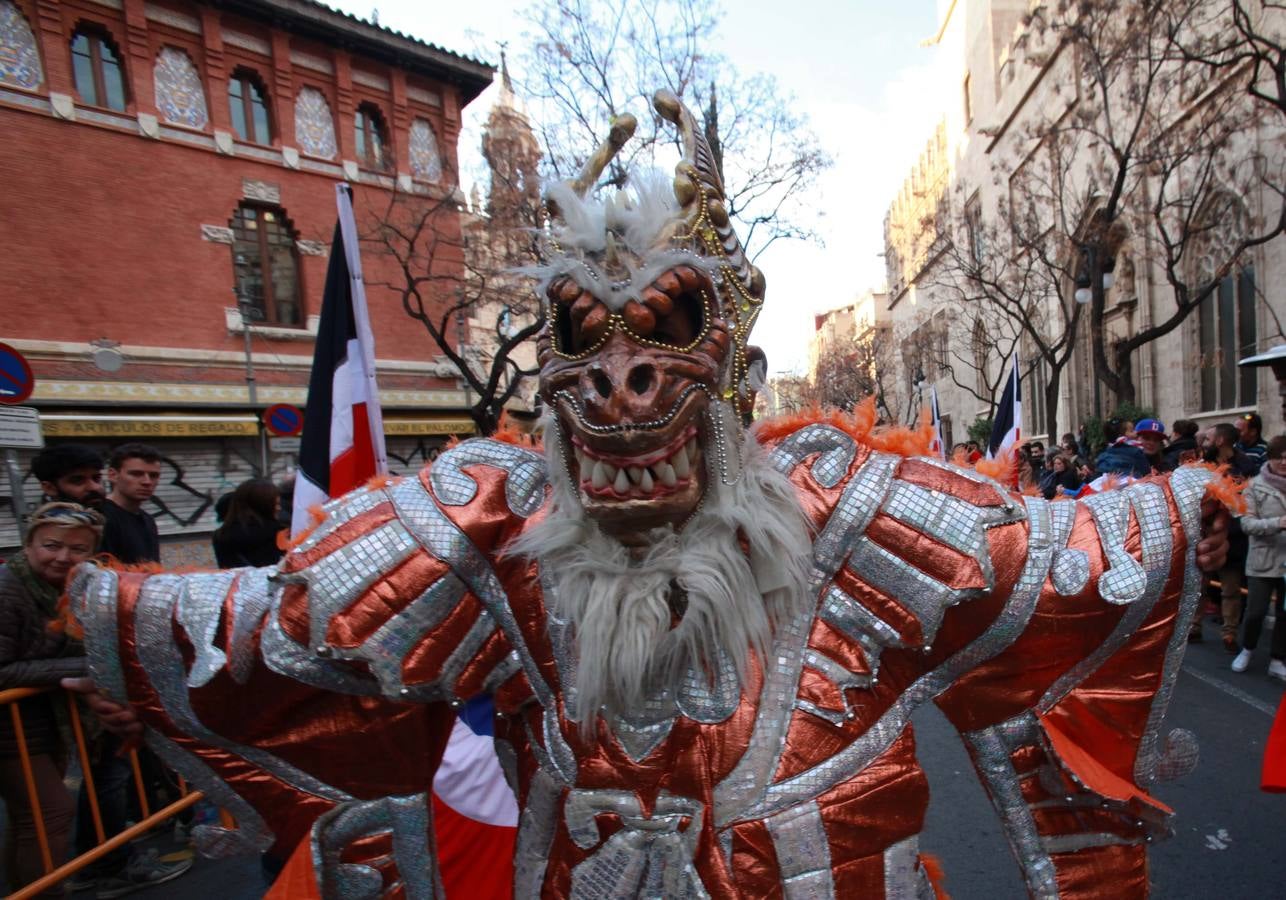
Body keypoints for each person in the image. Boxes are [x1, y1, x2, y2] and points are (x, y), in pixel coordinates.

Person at [65, 94, 1232, 898]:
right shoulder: (493, 522)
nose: (624, 388)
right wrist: (117, 620)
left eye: (663, 341)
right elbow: (292, 630)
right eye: (586, 346)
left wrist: (1194, 501)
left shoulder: (848, 509)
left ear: (730, 380)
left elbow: (1050, 564)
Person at [0, 504, 98, 896]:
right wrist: (84, 666)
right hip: (12, 728)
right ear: (29, 545)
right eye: (51, 545)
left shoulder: (67, 588)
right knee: (49, 813)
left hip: (38, 722)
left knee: (32, 820)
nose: (63, 557)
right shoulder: (8, 589)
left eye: (77, 549)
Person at [1231, 435, 1286, 680]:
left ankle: (1277, 658)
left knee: (1285, 614)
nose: (1284, 462)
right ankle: (1248, 648)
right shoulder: (1254, 486)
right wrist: (1279, 523)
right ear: (1270, 458)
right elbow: (1247, 523)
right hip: (1263, 559)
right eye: (1279, 457)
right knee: (1256, 612)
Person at [99, 443, 161, 565]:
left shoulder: (148, 520)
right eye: (136, 474)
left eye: (154, 475)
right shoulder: (101, 518)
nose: (147, 482)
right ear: (113, 475)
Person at [212, 479, 285, 568]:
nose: (279, 508)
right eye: (276, 504)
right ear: (264, 505)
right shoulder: (278, 533)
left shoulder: (221, 535)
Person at [30, 444, 106, 507]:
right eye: (78, 481)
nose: (95, 487)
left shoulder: (97, 518)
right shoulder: (56, 524)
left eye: (96, 478)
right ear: (49, 488)